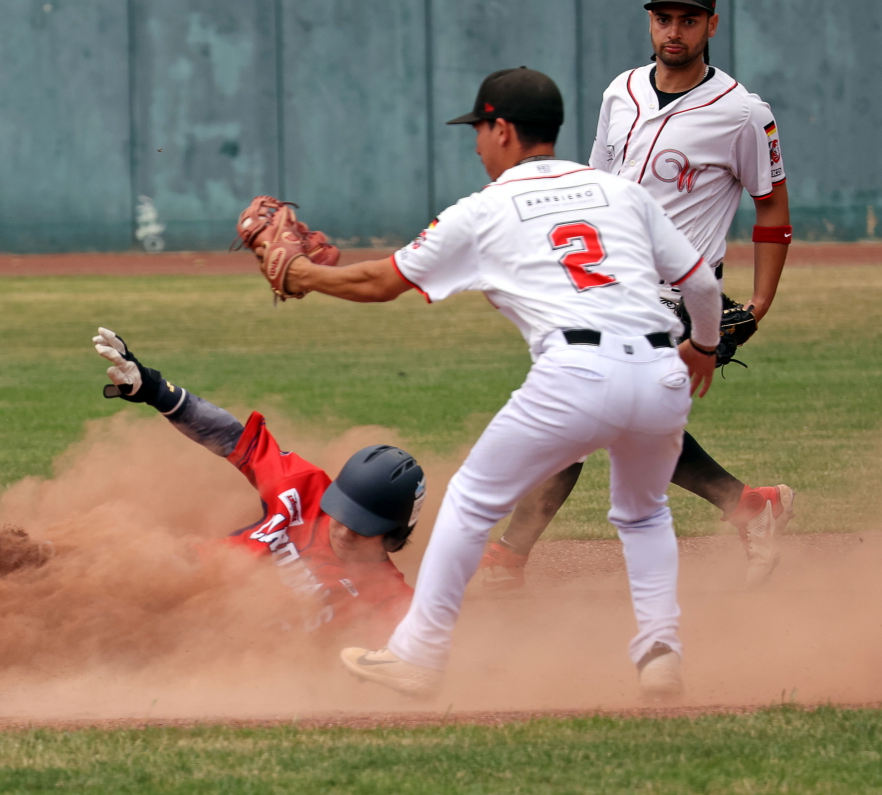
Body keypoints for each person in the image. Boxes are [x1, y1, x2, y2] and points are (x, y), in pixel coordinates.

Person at [257, 67, 722, 700]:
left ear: (503, 129)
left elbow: (380, 283)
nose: (477, 143)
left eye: (479, 129)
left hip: (575, 373)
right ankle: (661, 652)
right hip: (661, 373)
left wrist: (303, 277)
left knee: (473, 499)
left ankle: (419, 655)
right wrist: (704, 346)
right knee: (642, 516)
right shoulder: (621, 193)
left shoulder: (484, 209)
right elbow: (701, 285)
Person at [478, 0, 794, 593]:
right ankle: (749, 504)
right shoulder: (619, 92)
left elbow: (771, 203)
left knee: (580, 402)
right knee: (604, 414)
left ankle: (509, 554)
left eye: (689, 19)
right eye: (664, 18)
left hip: (675, 296)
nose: (674, 31)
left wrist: (760, 301)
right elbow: (595, 187)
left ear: (712, 25)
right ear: (650, 21)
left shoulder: (743, 113)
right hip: (606, 287)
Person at [93, 327, 421, 643]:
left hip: (219, 648)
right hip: (179, 578)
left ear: (393, 533)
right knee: (78, 570)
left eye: (362, 527)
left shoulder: (391, 602)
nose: (345, 531)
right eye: (342, 513)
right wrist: (155, 390)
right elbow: (230, 436)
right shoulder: (304, 489)